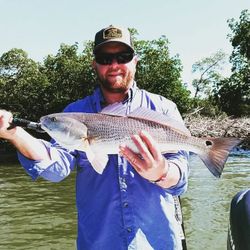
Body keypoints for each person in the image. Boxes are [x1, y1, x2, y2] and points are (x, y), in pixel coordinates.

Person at [0, 25, 189, 250]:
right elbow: (55, 166)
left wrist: (162, 172)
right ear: (94, 64)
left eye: (123, 56)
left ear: (135, 61)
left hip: (157, 243)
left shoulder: (163, 108)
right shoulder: (74, 113)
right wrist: (14, 133)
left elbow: (181, 178)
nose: (114, 65)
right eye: (104, 58)